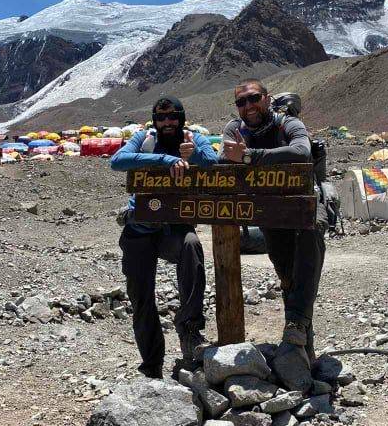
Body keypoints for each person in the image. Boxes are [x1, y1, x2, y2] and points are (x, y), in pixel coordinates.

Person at [220, 79, 327, 365]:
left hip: (303, 205)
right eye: (241, 102)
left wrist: (249, 156)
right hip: (268, 212)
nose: (248, 106)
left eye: (253, 98)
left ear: (267, 99)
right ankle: (302, 347)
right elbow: (224, 159)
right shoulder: (235, 129)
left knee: (311, 234)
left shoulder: (288, 123)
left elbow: (301, 151)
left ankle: (296, 329)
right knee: (288, 276)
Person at [110, 96, 217, 378]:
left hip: (175, 227)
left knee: (192, 247)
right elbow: (118, 161)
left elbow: (212, 162)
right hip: (140, 228)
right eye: (161, 117)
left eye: (173, 116)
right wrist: (164, 158)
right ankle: (151, 365)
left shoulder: (194, 138)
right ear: (154, 120)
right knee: (141, 298)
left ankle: (190, 330)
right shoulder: (143, 139)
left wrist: (190, 154)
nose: (167, 122)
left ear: (182, 117)